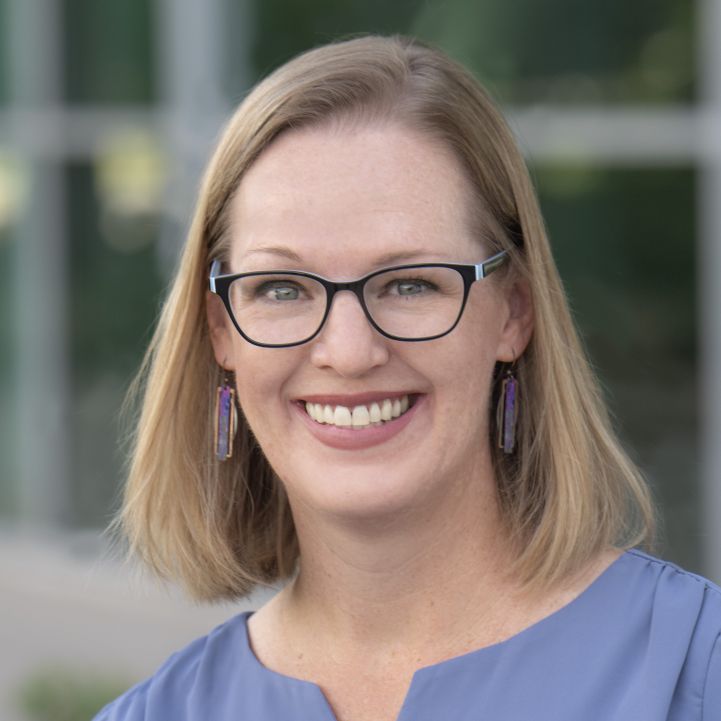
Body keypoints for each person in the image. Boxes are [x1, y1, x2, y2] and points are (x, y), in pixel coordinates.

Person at [95, 35, 720, 721]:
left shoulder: (693, 670)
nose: (349, 350)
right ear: (220, 331)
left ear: (513, 312)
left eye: (409, 283)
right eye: (280, 288)